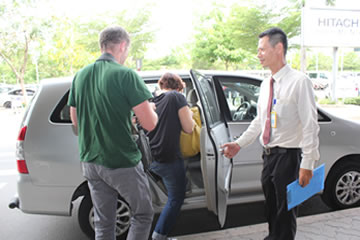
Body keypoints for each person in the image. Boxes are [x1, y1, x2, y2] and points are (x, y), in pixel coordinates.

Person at [222, 27, 320, 240]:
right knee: (271, 209)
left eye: (262, 49)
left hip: (289, 157)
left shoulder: (299, 82)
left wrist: (307, 164)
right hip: (269, 156)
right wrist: (238, 144)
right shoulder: (267, 83)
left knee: (285, 213)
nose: (258, 54)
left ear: (278, 48)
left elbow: (311, 125)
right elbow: (260, 120)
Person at [67, 25, 158, 240]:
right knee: (143, 213)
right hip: (120, 161)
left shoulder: (80, 75)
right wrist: (151, 111)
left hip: (90, 162)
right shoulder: (126, 75)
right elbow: (150, 124)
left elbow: (75, 121)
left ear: (102, 46)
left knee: (104, 222)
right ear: (123, 45)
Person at [147, 72, 194, 240]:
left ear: (161, 85)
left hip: (152, 156)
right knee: (176, 198)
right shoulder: (176, 97)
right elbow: (189, 128)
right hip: (169, 157)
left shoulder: (152, 101)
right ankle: (159, 235)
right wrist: (193, 119)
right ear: (178, 87)